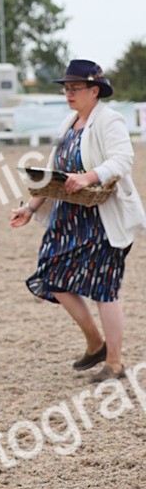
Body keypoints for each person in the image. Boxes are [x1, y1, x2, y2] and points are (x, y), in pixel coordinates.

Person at [10, 59, 146, 381]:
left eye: (75, 88)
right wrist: (30, 208)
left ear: (94, 90)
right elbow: (52, 174)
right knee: (52, 277)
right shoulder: (67, 124)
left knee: (103, 290)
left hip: (102, 219)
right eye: (66, 89)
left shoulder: (109, 121)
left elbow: (123, 159)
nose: (68, 93)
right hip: (66, 218)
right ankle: (95, 342)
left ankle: (114, 362)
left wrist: (89, 177)